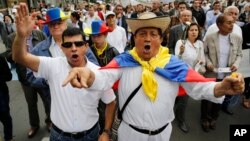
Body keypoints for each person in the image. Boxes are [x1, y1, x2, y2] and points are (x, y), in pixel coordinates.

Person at [63, 12, 244, 141]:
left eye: (153, 34)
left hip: (162, 134)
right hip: (130, 134)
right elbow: (104, 77)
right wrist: (88, 74)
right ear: (134, 39)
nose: (148, 39)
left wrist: (221, 88)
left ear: (161, 39)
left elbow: (198, 87)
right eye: (142, 34)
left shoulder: (173, 64)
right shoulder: (124, 61)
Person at [12, 3, 116, 141]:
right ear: (62, 48)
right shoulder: (52, 65)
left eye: (78, 44)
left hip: (90, 134)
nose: (74, 48)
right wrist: (21, 36)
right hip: (59, 135)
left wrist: (106, 131)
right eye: (68, 45)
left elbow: (111, 102)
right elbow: (20, 58)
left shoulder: (97, 72)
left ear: (86, 47)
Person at [201, 14, 242, 132]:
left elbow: (239, 54)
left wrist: (236, 64)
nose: (232, 25)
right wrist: (208, 63)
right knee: (206, 96)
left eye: (232, 22)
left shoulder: (237, 38)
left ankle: (214, 118)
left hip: (226, 75)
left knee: (220, 97)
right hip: (211, 73)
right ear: (219, 25)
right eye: (228, 23)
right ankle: (204, 118)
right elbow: (205, 53)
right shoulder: (210, 37)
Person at [174, 22, 205, 133]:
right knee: (177, 97)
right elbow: (176, 60)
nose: (194, 32)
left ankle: (179, 118)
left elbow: (202, 60)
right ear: (187, 31)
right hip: (181, 75)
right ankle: (176, 116)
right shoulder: (181, 42)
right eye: (191, 30)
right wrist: (181, 53)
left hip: (192, 76)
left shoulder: (200, 44)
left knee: (184, 99)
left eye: (196, 30)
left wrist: (200, 62)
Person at [0, 55, 13, 141]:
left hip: (1, 94)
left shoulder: (0, 58)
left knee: (5, 117)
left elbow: (9, 76)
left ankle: (8, 138)